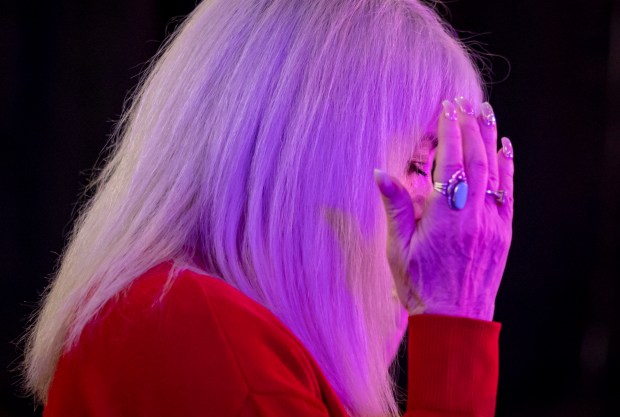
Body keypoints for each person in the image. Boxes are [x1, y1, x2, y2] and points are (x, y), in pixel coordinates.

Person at [23, 0, 514, 416]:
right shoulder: (207, 340)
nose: (436, 210)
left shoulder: (178, 316)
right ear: (315, 156)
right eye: (415, 163)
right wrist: (455, 322)